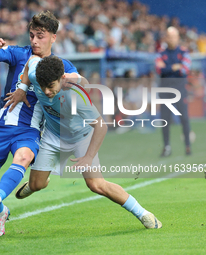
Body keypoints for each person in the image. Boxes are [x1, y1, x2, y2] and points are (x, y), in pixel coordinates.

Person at [14, 55, 162, 229]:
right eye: (43, 86)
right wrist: (22, 88)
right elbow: (31, 60)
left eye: (51, 86)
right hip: (53, 136)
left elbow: (101, 126)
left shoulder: (75, 95)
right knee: (36, 184)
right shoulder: (36, 74)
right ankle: (37, 182)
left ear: (62, 79)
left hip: (81, 138)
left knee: (96, 185)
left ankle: (144, 214)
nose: (46, 91)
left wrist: (88, 157)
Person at [0, 11, 79, 236]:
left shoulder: (62, 66)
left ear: (53, 37)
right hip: (0, 125)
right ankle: (0, 211)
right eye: (31, 35)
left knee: (24, 156)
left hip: (29, 129)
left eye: (40, 36)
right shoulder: (18, 53)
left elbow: (78, 84)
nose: (34, 41)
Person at [155, 27, 192, 157]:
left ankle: (188, 146)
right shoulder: (160, 53)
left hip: (180, 89)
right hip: (164, 90)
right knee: (165, 119)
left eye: (173, 36)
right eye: (169, 36)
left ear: (177, 38)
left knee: (184, 118)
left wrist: (168, 68)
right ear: (166, 37)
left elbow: (185, 69)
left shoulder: (184, 52)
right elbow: (159, 70)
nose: (171, 39)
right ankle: (166, 147)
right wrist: (175, 67)